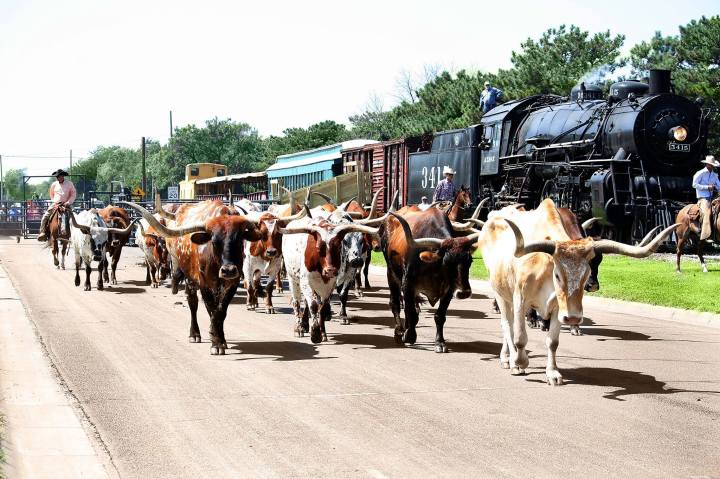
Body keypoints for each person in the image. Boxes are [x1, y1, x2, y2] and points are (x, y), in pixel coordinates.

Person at [37, 169, 76, 241]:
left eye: (60, 176)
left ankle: (75, 234)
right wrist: (54, 202)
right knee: (45, 217)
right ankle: (42, 232)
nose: (59, 177)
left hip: (66, 204)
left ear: (63, 176)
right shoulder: (54, 184)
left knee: (74, 218)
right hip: (55, 204)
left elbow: (73, 194)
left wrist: (68, 202)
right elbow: (51, 194)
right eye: (57, 176)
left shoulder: (69, 184)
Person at [692, 155, 720, 242]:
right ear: (707, 164)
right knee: (707, 212)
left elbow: (719, 186)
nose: (712, 166)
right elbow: (694, 184)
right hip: (703, 198)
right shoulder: (700, 173)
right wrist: (707, 187)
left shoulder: (715, 175)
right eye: (710, 164)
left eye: (713, 165)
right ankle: (706, 235)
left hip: (713, 197)